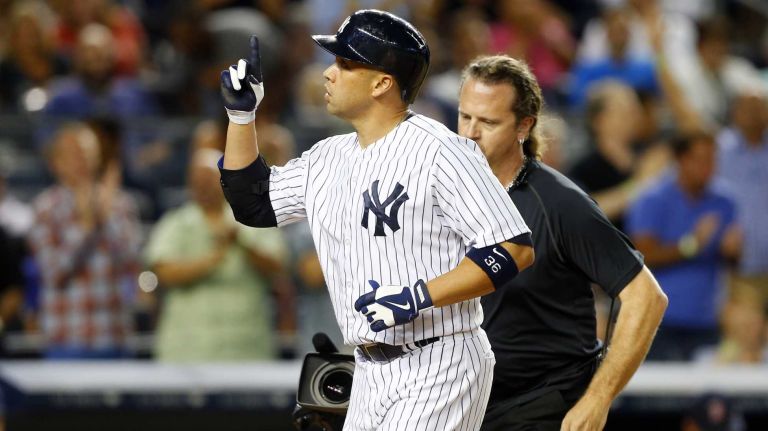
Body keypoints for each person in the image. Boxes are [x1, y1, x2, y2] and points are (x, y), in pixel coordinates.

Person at [217, 10, 534, 430]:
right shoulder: (327, 157)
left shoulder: (442, 151)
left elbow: (512, 248)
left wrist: (417, 296)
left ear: (382, 82)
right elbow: (252, 204)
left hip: (441, 359)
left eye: (345, 64)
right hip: (367, 368)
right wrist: (242, 118)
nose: (328, 74)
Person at [456, 55, 668, 431]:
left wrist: (598, 398)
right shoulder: (443, 196)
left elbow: (645, 296)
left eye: (488, 121)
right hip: (464, 408)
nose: (471, 133)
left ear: (524, 126)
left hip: (541, 408)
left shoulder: (559, 202)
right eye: (465, 117)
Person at [144, 147, 288, 361]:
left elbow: (278, 267)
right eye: (196, 179)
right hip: (187, 350)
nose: (202, 185)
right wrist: (212, 260)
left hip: (245, 349)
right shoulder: (175, 223)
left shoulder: (255, 219)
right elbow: (163, 272)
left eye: (209, 179)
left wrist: (241, 244)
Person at [27, 122, 142, 359]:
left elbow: (130, 261)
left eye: (87, 154)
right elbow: (54, 272)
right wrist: (86, 227)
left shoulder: (120, 204)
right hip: (67, 338)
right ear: (55, 163)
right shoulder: (45, 209)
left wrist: (105, 217)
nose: (81, 162)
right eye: (73, 155)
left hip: (115, 336)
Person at [626, 132, 741, 361]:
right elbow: (641, 257)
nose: (708, 167)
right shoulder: (652, 199)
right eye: (700, 160)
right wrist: (691, 246)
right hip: (659, 322)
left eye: (712, 160)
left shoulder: (725, 201)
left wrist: (733, 252)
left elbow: (731, 261)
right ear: (680, 160)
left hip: (707, 320)